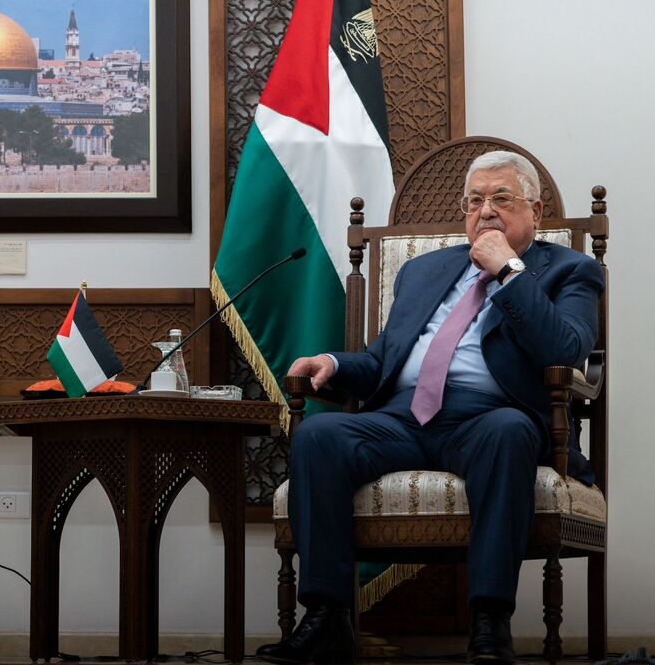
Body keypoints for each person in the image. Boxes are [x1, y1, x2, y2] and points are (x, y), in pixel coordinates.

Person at [256, 151, 604, 665]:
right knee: (319, 436)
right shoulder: (424, 270)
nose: (485, 211)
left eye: (501, 198)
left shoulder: (571, 270)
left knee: (508, 431)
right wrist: (333, 363)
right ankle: (329, 616)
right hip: (404, 418)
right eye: (474, 200)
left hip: (489, 417)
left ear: (535, 209)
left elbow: (563, 350)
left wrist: (508, 271)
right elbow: (383, 360)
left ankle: (489, 623)